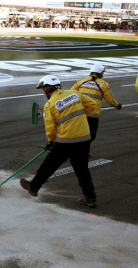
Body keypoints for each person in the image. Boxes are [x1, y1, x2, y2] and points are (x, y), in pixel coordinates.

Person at [21, 75, 98, 207]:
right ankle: (90, 197)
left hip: (66, 141)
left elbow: (50, 128)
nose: (43, 92)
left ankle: (33, 187)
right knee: (82, 169)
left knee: (48, 165)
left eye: (42, 89)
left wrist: (50, 141)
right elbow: (93, 104)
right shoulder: (75, 93)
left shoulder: (49, 105)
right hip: (84, 138)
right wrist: (80, 116)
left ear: (46, 89)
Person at [71, 64, 121, 142]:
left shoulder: (81, 81)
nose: (103, 74)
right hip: (92, 115)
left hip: (79, 113)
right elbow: (110, 101)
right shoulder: (103, 84)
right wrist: (117, 105)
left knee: (78, 135)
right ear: (99, 73)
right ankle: (83, 153)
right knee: (91, 136)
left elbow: (71, 94)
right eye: (102, 73)